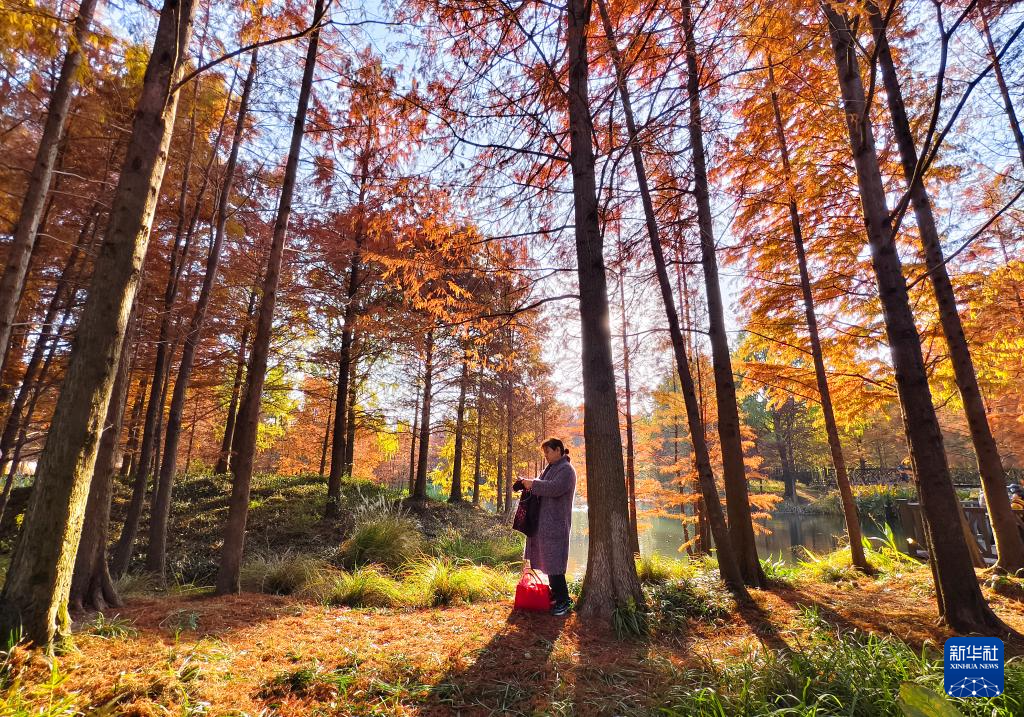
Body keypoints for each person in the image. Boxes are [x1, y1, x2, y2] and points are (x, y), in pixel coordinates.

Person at [520, 437, 577, 617]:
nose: (546, 456)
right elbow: (541, 483)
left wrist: (533, 484)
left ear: (559, 450)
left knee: (555, 563)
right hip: (546, 523)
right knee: (549, 561)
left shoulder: (566, 470)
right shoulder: (551, 468)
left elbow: (554, 488)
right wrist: (527, 482)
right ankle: (557, 595)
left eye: (548, 452)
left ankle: (564, 600)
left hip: (557, 523)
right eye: (544, 453)